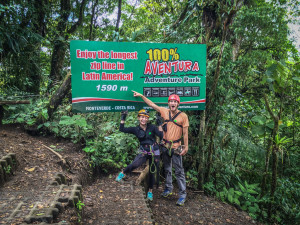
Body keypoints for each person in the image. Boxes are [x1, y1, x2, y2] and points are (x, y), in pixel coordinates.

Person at [132, 91, 189, 206]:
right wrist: (142, 96)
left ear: (178, 104)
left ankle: (182, 195)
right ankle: (168, 188)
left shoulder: (183, 116)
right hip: (165, 145)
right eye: (171, 101)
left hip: (177, 146)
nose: (172, 103)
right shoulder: (164, 111)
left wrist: (186, 147)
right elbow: (152, 105)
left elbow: (185, 133)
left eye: (175, 102)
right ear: (168, 103)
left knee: (179, 171)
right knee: (167, 169)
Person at [115, 109, 163, 201]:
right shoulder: (136, 129)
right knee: (135, 164)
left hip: (154, 151)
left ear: (148, 119)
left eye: (145, 117)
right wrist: (123, 117)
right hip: (144, 151)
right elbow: (122, 129)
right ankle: (123, 173)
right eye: (142, 117)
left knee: (152, 171)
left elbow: (161, 135)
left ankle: (150, 192)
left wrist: (160, 124)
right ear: (138, 118)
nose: (143, 119)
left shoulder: (152, 127)